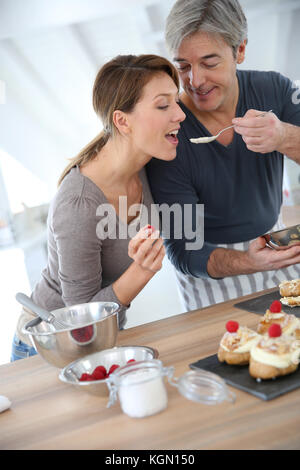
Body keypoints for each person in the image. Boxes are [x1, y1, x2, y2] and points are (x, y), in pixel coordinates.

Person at [11, 54, 186, 361]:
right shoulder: (78, 204)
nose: (180, 114)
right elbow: (83, 324)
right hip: (48, 347)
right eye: (163, 105)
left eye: (176, 101)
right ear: (122, 121)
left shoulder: (148, 163)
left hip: (98, 342)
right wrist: (142, 271)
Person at [146, 0, 300, 312]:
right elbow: (183, 250)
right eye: (183, 67)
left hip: (277, 249)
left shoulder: (276, 89)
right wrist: (248, 261)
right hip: (211, 275)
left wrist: (284, 136)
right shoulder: (168, 131)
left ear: (239, 50)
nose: (196, 82)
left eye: (210, 63)